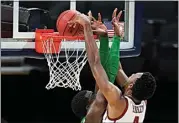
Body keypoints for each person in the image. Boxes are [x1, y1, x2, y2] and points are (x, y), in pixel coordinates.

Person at [70, 9, 157, 123]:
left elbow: (97, 64)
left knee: (101, 93)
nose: (131, 74)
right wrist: (114, 37)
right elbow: (116, 70)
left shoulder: (114, 103)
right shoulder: (141, 100)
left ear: (131, 86)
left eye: (134, 75)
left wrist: (87, 25)